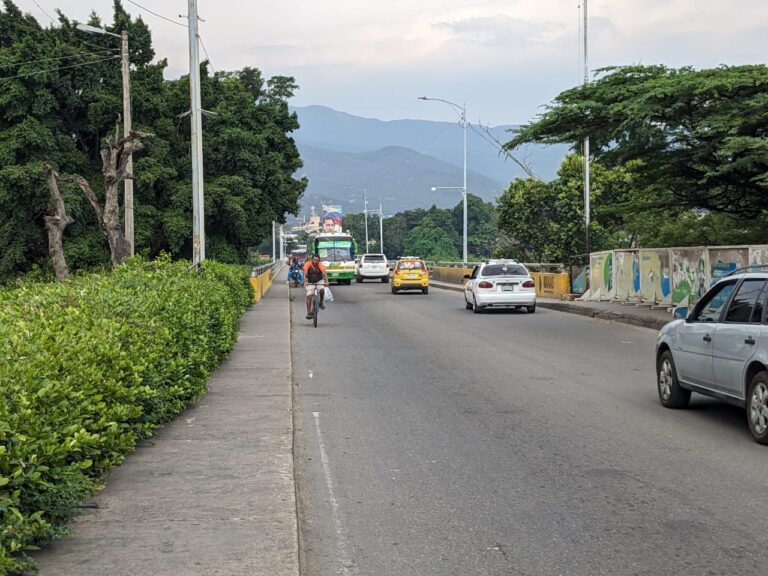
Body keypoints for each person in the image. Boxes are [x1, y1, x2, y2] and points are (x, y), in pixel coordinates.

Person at [303, 254, 329, 319]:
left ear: (319, 261)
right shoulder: (308, 264)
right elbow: (305, 273)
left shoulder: (320, 265)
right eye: (314, 260)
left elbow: (324, 273)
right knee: (309, 296)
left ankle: (321, 302)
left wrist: (326, 281)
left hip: (319, 281)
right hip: (310, 282)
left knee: (322, 290)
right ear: (312, 259)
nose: (316, 261)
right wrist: (305, 282)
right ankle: (308, 313)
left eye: (317, 260)